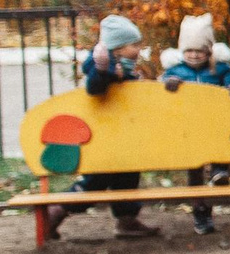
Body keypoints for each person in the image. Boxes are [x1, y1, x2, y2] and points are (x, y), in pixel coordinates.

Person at [48, 14, 156, 240]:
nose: (139, 49)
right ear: (117, 48)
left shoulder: (126, 67)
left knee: (127, 176)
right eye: (134, 45)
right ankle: (57, 211)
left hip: (123, 133)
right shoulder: (103, 66)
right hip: (103, 133)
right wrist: (105, 71)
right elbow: (94, 88)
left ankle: (126, 221)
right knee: (95, 181)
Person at [161, 13, 230, 235]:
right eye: (189, 51)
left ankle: (220, 172)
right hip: (188, 131)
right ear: (182, 51)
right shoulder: (175, 72)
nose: (193, 55)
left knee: (221, 142)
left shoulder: (219, 70)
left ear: (209, 51)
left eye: (199, 51)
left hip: (214, 126)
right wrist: (168, 85)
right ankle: (201, 216)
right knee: (195, 176)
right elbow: (160, 92)